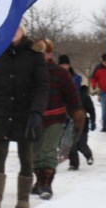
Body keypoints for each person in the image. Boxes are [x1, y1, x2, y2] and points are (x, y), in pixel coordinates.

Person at [0, 25, 48, 208]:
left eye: (18, 27)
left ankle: (23, 199)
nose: (14, 30)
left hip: (25, 113)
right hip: (1, 111)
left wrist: (36, 112)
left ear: (23, 30)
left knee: (25, 155)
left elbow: (42, 87)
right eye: (12, 26)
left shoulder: (35, 55)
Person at [31, 40, 84, 199]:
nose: (43, 56)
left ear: (50, 54)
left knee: (48, 149)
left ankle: (47, 183)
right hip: (35, 118)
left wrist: (77, 112)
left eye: (46, 53)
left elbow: (72, 95)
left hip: (55, 118)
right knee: (36, 151)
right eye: (39, 53)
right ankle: (39, 181)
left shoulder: (60, 73)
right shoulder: (30, 72)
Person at [68, 85, 96, 170]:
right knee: (71, 145)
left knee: (81, 144)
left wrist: (93, 120)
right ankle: (74, 164)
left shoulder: (84, 96)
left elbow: (91, 109)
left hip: (82, 123)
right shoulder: (65, 96)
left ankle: (88, 155)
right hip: (69, 123)